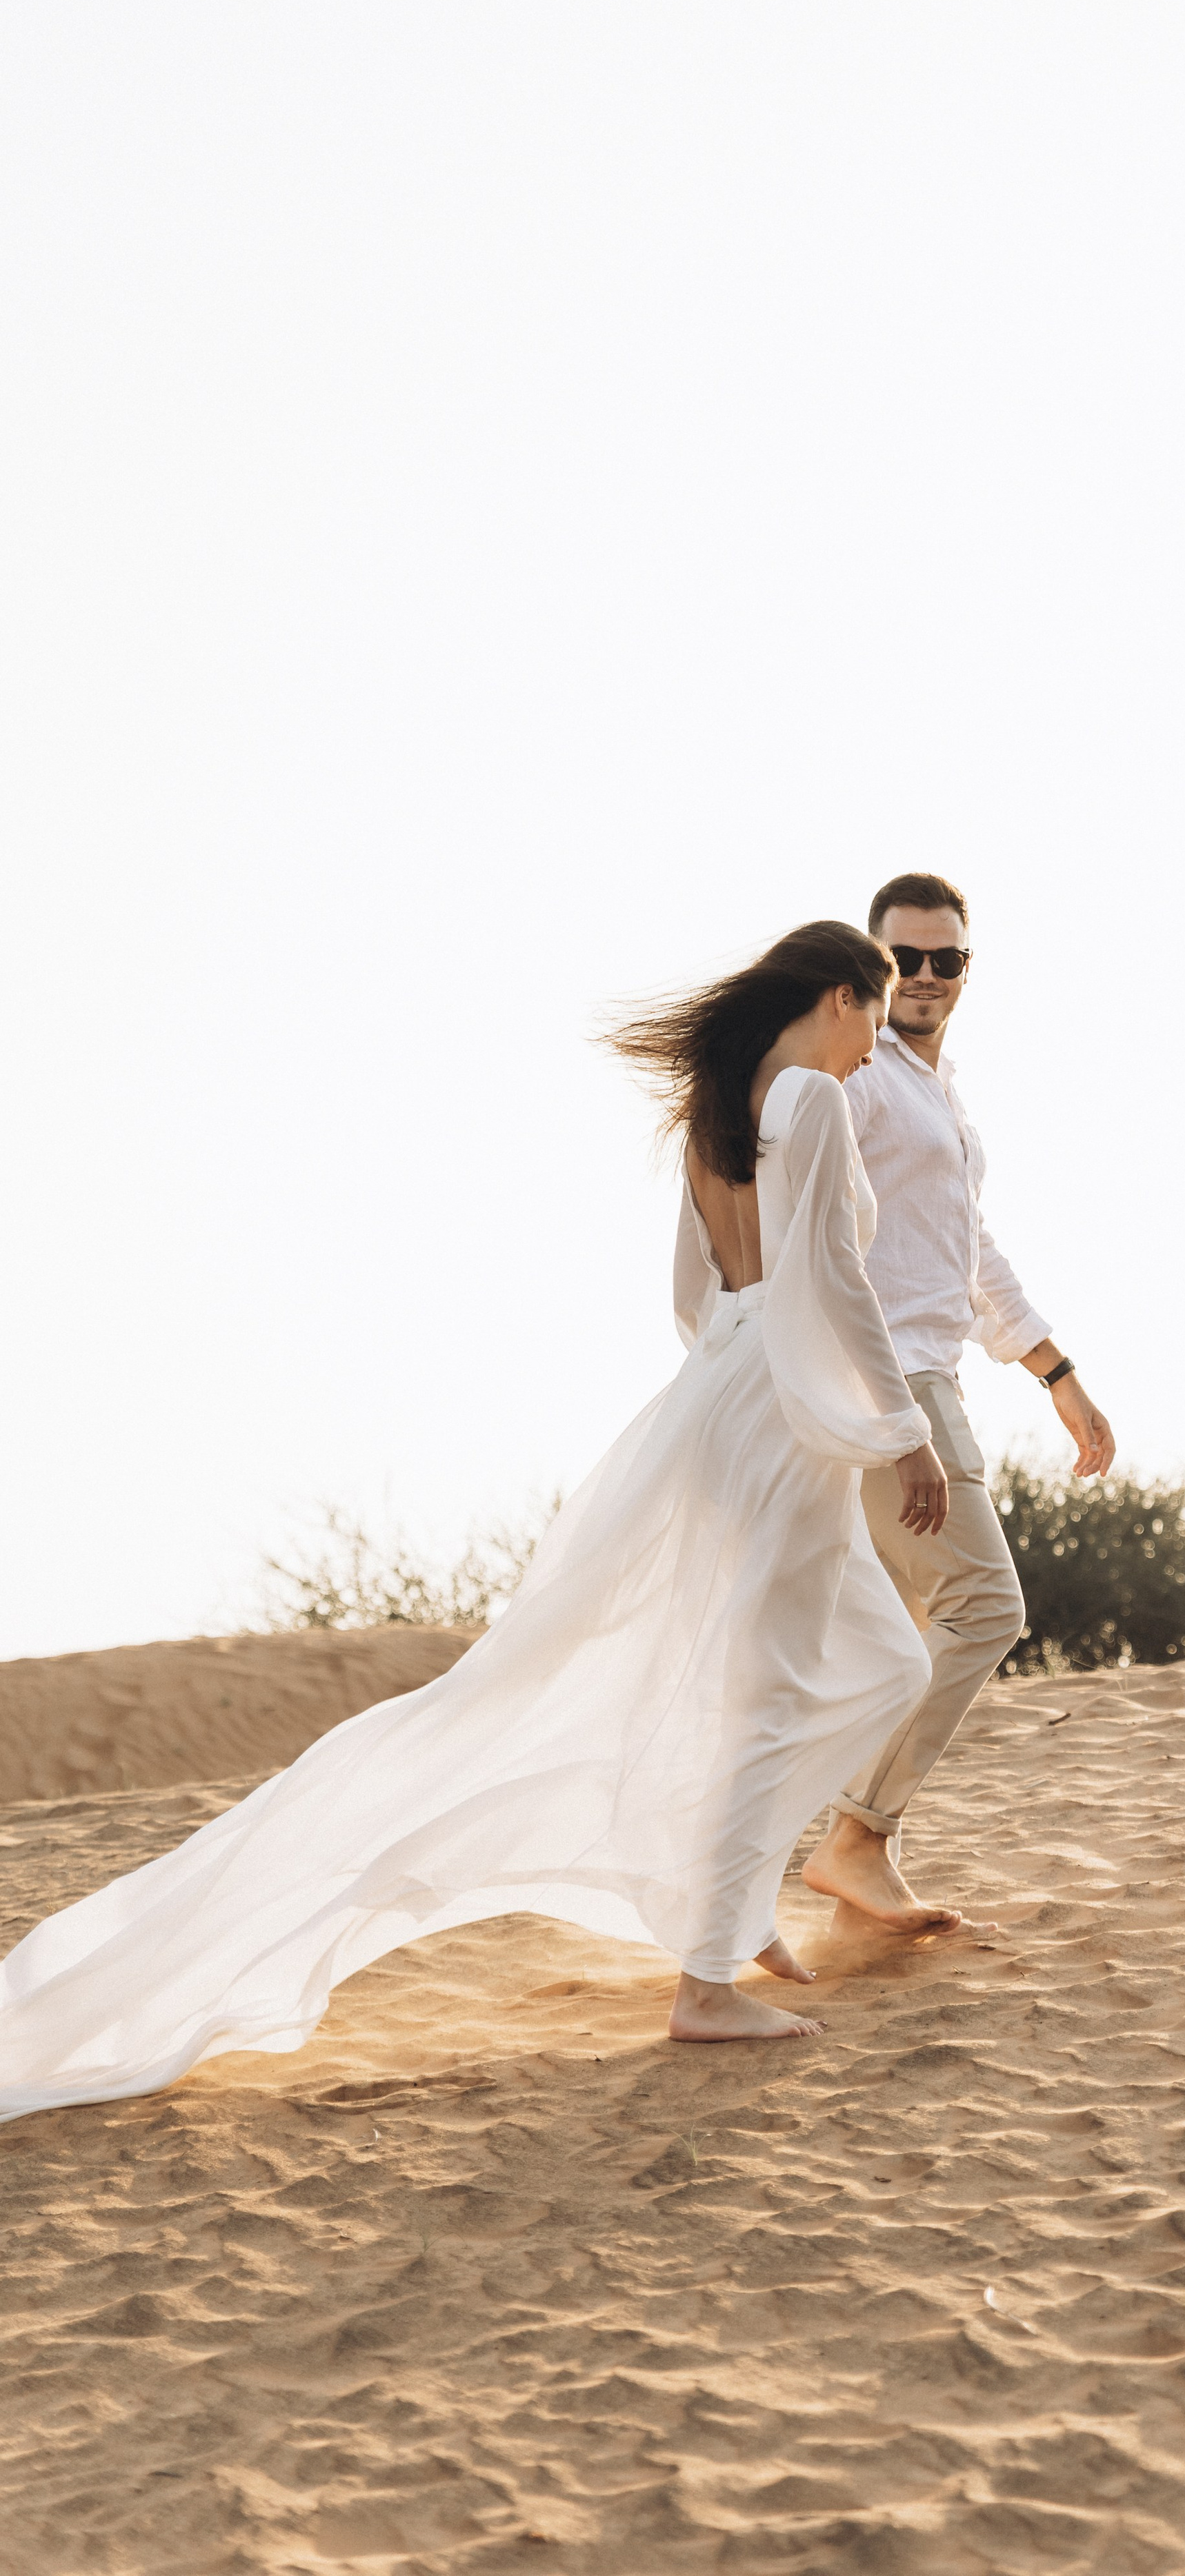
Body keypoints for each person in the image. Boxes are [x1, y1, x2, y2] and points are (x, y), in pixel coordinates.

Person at [0, 923, 954, 2122]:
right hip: (783, 1412)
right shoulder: (812, 1096)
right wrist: (897, 1429)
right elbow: (839, 1282)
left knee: (869, 1663)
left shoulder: (714, 1109)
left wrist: (736, 1376)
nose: (877, 1049)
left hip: (724, 1391)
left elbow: (691, 1297)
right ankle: (708, 1974)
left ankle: (735, 1900)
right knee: (791, 1688)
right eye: (872, 1016)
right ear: (836, 997)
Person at [802, 872, 1115, 1935]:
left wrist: (1057, 1374)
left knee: (888, 1635)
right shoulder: (860, 1082)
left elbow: (968, 1251)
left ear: (966, 970)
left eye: (948, 960)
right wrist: (882, 1403)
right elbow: (808, 1223)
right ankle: (857, 1838)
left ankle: (840, 1870)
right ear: (873, 967)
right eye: (905, 960)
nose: (927, 978)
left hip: (926, 1371)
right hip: (890, 1382)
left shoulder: (936, 1089)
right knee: (986, 1608)